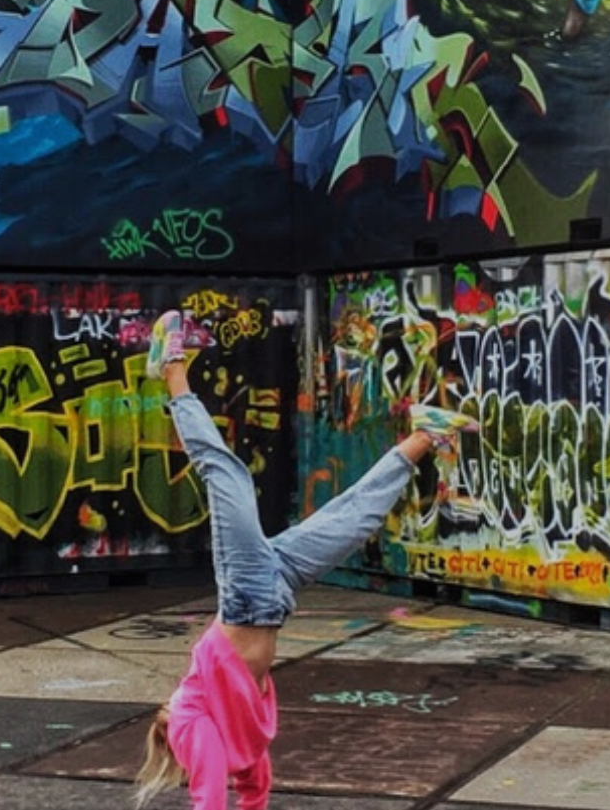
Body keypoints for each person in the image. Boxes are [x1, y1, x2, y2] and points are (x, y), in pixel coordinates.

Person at [133, 310, 477, 809]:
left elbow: (209, 797)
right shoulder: (239, 734)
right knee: (354, 519)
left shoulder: (189, 721)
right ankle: (424, 435)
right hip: (276, 591)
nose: (168, 700)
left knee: (225, 473)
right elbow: (255, 787)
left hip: (247, 595)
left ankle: (172, 368)